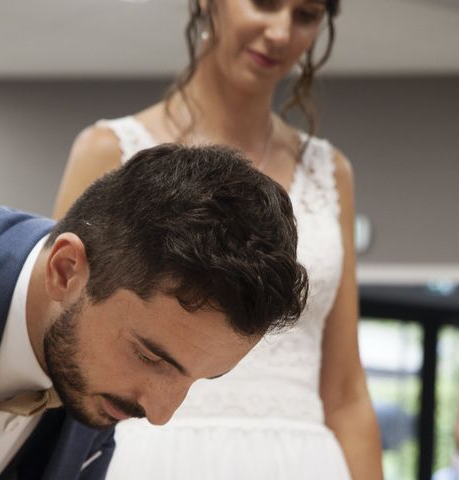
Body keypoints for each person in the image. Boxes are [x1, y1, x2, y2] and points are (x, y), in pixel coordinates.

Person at [0, 144, 308, 480]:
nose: (160, 414)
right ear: (66, 269)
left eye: (201, 379)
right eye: (151, 357)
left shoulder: (98, 373)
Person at [53, 1, 383, 478]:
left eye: (306, 14)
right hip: (149, 454)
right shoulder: (108, 149)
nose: (281, 32)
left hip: (302, 461)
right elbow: (60, 344)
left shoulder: (331, 172)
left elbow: (347, 391)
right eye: (265, 3)